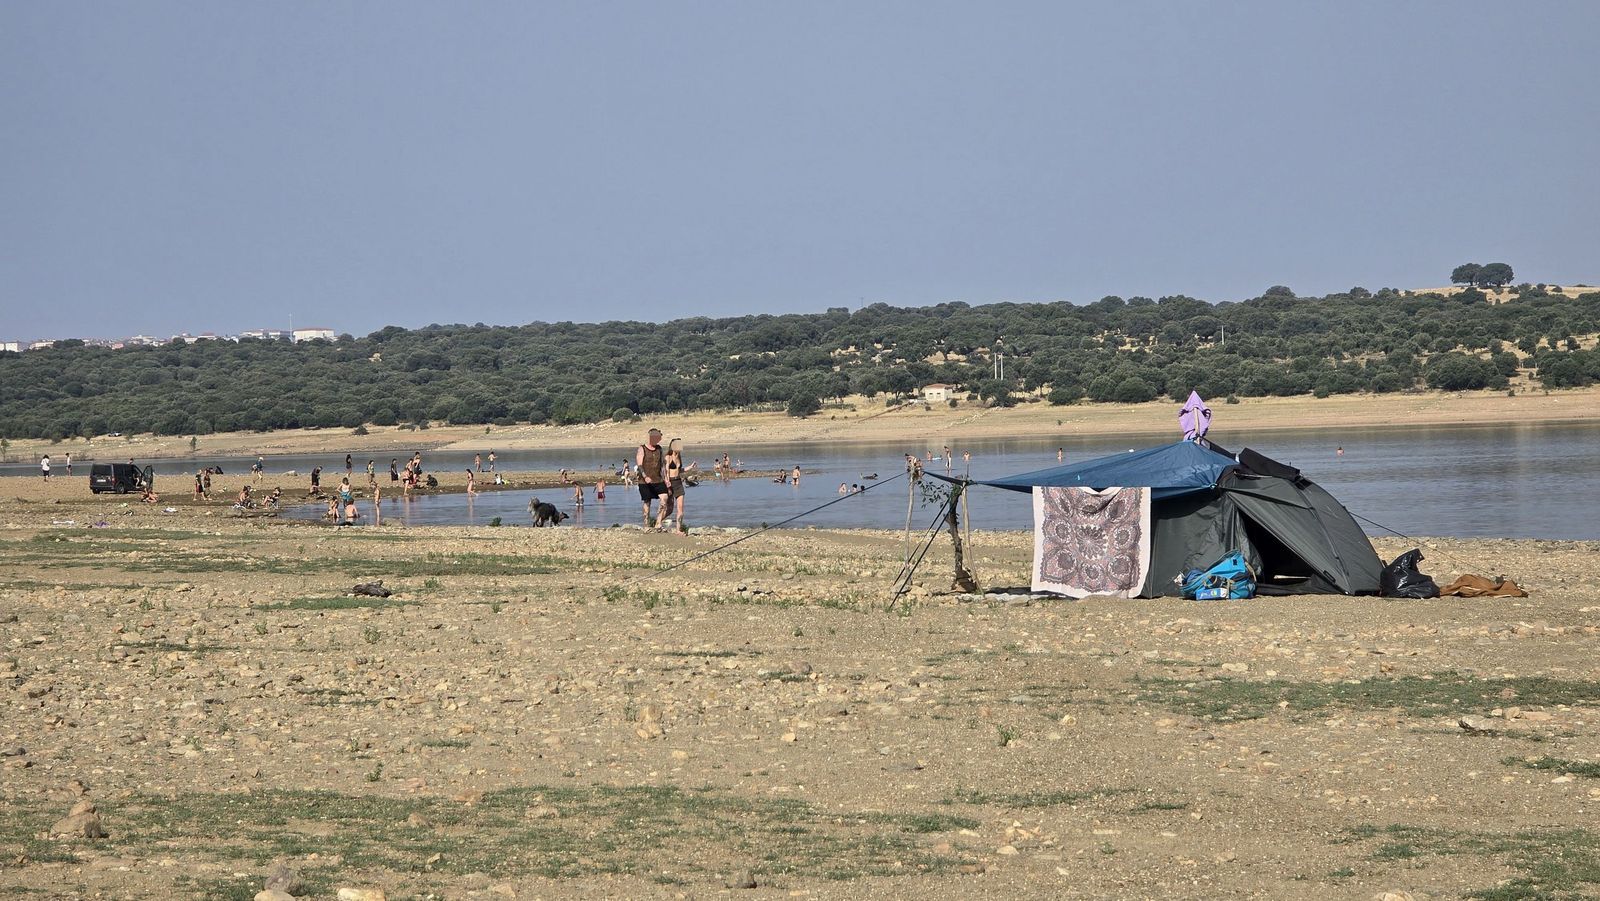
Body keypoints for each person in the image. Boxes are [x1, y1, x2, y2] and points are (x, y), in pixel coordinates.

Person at [636, 427, 670, 529]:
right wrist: (645, 476)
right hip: (644, 481)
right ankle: (646, 525)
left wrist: (666, 479)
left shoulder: (659, 449)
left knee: (664, 498)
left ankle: (658, 523)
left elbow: (662, 466)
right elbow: (639, 465)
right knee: (647, 502)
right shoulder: (642, 448)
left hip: (658, 479)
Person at [659, 438, 687, 534]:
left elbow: (679, 470)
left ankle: (678, 530)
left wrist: (690, 467)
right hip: (670, 483)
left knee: (680, 509)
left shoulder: (679, 457)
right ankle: (657, 523)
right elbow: (665, 471)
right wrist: (667, 482)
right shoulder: (668, 457)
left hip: (678, 482)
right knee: (669, 509)